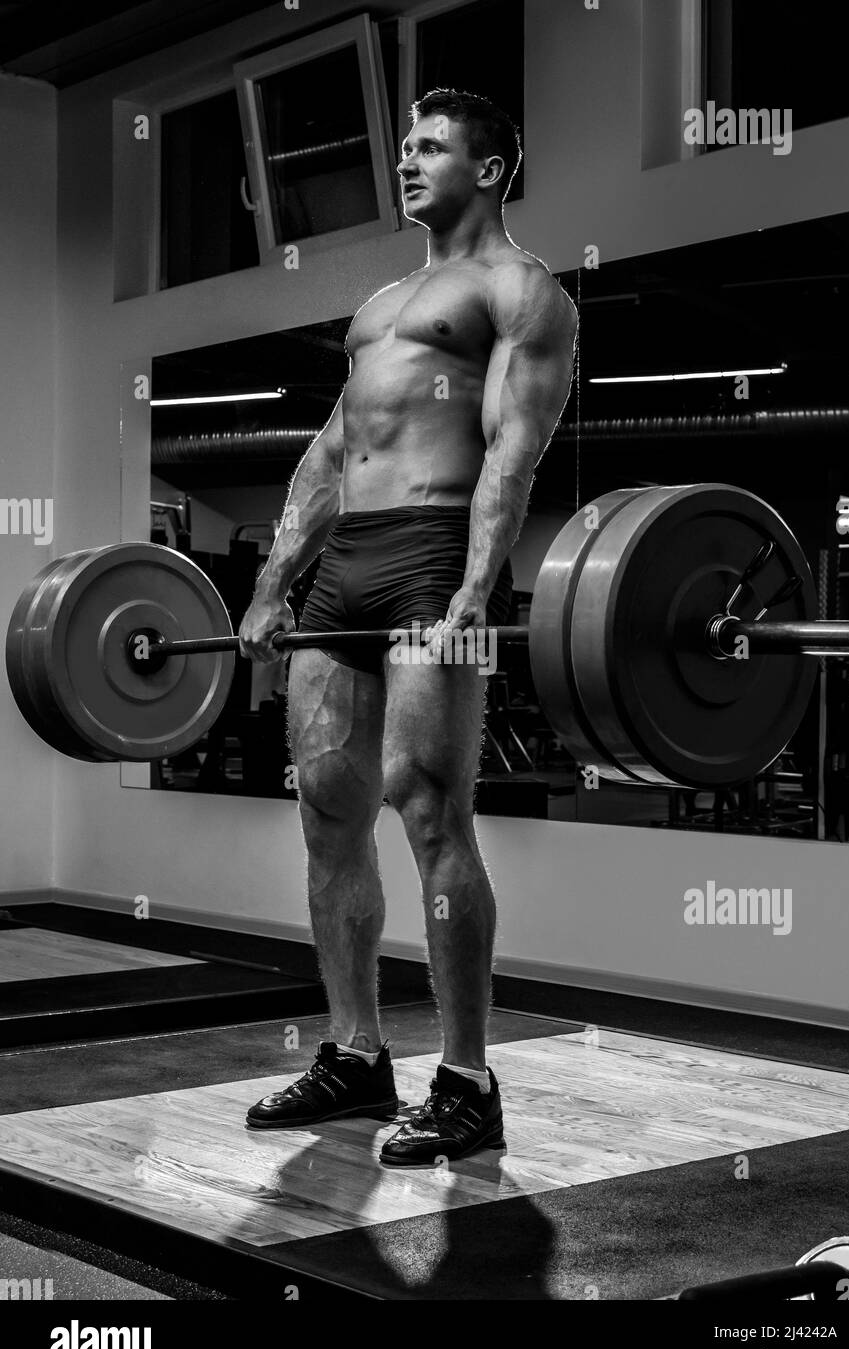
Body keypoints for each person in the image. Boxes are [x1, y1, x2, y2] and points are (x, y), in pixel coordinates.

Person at [239, 88, 577, 1165]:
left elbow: (511, 448)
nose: (405, 161)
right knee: (328, 813)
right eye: (401, 146)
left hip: (435, 555)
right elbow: (333, 454)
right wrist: (270, 583)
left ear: (489, 167)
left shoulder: (520, 291)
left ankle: (466, 1080)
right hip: (346, 567)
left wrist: (479, 585)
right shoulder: (381, 303)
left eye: (429, 145)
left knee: (429, 811)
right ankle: (353, 1053)